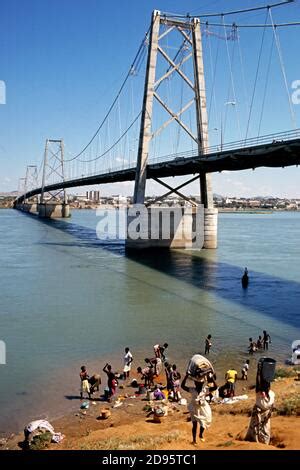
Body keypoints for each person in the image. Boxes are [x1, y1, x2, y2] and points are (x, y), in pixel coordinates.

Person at [181, 373, 217, 445]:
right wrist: (186, 377)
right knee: (194, 425)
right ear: (195, 383)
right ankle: (194, 440)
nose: (199, 384)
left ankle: (200, 434)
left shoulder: (205, 390)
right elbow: (182, 386)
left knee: (204, 422)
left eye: (200, 383)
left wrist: (212, 378)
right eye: (198, 383)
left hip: (203, 407)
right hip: (194, 408)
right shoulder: (192, 389)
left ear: (202, 383)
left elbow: (215, 387)